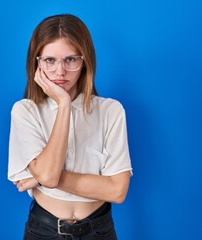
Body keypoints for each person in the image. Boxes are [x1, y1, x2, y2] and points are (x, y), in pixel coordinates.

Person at [8, 14, 133, 240]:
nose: (60, 72)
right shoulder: (25, 111)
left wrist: (43, 178)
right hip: (44, 231)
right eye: (50, 60)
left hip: (99, 231)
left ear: (84, 60)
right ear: (36, 62)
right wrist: (64, 104)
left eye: (70, 59)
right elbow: (48, 174)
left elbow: (117, 190)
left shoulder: (111, 110)